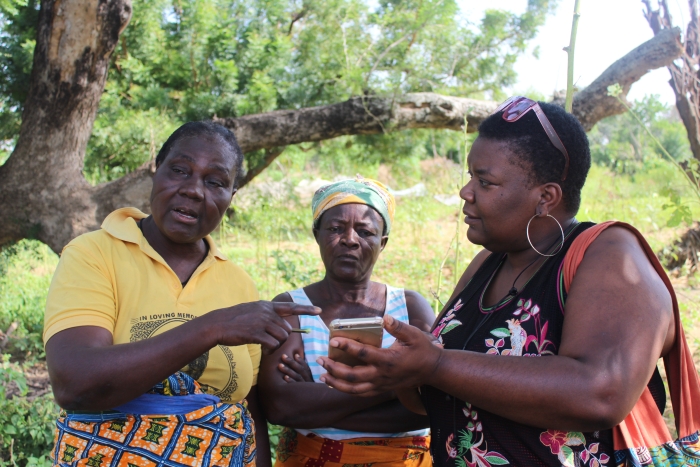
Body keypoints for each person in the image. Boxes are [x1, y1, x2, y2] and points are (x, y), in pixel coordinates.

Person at [316, 98, 679, 466]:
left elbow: (601, 393)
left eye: (484, 181)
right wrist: (400, 372)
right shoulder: (486, 264)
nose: (466, 192)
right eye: (471, 176)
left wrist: (437, 365)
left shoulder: (609, 255)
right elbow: (434, 399)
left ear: (545, 198)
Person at [43, 121, 319, 467]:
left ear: (230, 197)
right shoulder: (94, 254)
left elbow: (248, 407)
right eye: (179, 170)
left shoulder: (238, 283)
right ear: (155, 174)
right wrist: (212, 327)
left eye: (215, 182)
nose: (193, 190)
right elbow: (76, 383)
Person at [257, 176, 434, 467]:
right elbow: (281, 406)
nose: (350, 239)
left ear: (382, 242)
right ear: (317, 234)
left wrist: (317, 401)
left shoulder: (410, 307)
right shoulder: (292, 307)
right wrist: (396, 384)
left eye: (365, 231)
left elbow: (428, 408)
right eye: (336, 228)